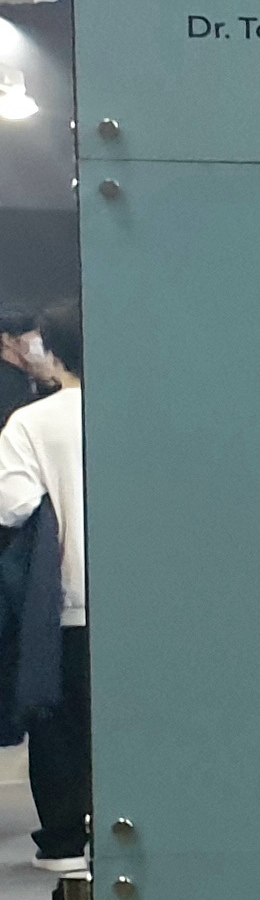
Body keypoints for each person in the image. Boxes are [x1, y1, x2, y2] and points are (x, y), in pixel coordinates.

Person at [0, 300, 80, 869]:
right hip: (141, 601)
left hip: (61, 600)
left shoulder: (31, 422)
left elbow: (11, 505)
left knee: (58, 722)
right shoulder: (141, 412)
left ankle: (64, 840)